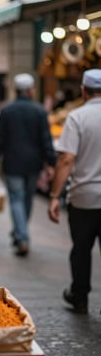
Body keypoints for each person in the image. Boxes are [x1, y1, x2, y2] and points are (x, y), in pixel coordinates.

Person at [48, 69, 101, 314]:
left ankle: (79, 296)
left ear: (83, 90)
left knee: (81, 249)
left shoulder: (77, 117)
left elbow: (67, 159)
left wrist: (55, 196)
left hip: (84, 198)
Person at [0, 73, 56, 257]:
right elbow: (46, 140)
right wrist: (50, 162)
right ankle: (22, 234)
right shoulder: (39, 111)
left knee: (17, 199)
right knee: (26, 199)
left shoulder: (6, 111)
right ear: (29, 90)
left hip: (12, 163)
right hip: (33, 164)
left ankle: (21, 235)